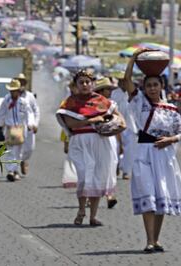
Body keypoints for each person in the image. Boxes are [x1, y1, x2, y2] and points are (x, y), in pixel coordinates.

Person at [124, 49, 181, 253]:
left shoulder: (172, 110)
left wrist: (171, 139)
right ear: (144, 88)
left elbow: (180, 132)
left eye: (155, 85)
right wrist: (132, 60)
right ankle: (149, 240)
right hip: (144, 153)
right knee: (147, 195)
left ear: (162, 86)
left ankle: (156, 240)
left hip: (164, 156)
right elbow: (127, 81)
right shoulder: (139, 102)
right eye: (148, 85)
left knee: (161, 197)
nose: (152, 88)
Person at [56, 70, 126, 226]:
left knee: (98, 178)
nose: (85, 85)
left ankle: (93, 216)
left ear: (93, 84)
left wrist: (118, 123)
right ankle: (81, 210)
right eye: (81, 82)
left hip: (101, 142)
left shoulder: (103, 101)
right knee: (83, 177)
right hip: (80, 142)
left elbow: (118, 117)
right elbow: (70, 124)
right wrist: (91, 120)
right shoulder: (70, 102)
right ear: (76, 85)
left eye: (88, 82)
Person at [0, 79, 34, 181]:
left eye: (15, 90)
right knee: (10, 150)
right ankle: (10, 171)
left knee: (19, 151)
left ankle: (15, 170)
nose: (12, 92)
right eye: (11, 90)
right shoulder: (6, 100)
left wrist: (30, 123)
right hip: (10, 129)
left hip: (20, 129)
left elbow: (29, 113)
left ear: (18, 91)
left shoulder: (23, 102)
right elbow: (0, 113)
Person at [93, 77, 121, 209]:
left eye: (110, 89)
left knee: (111, 164)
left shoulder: (113, 104)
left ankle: (110, 194)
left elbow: (119, 122)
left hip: (110, 138)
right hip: (95, 138)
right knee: (96, 167)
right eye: (107, 89)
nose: (110, 92)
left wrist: (119, 142)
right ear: (101, 91)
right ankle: (91, 195)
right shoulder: (91, 104)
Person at [15, 73, 39, 175]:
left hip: (28, 127)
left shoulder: (30, 96)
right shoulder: (12, 96)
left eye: (22, 81)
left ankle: (23, 160)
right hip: (15, 127)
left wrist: (35, 124)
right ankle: (14, 170)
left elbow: (35, 110)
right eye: (19, 81)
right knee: (15, 148)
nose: (21, 83)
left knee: (30, 148)